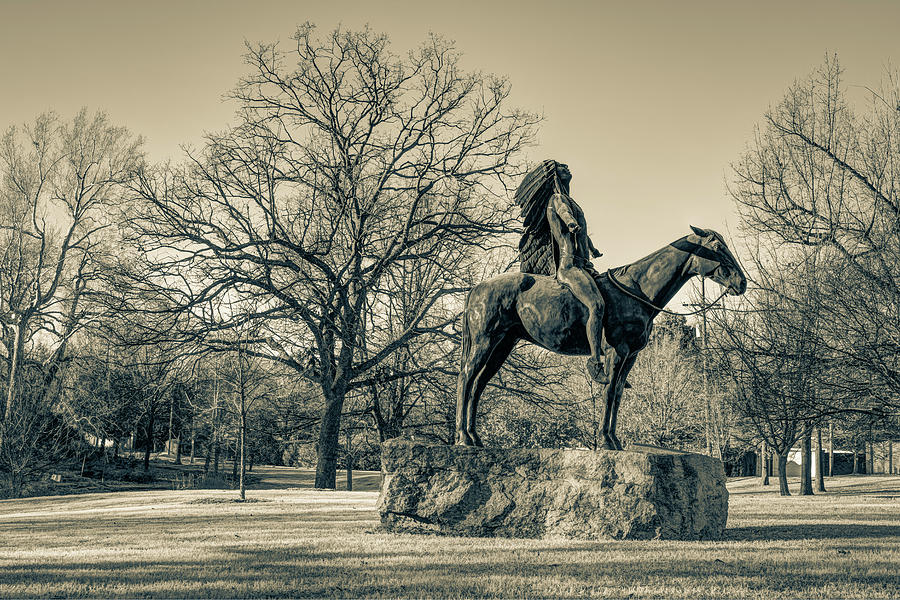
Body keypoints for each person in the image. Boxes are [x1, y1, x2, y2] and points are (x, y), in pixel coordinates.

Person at [516, 160, 610, 383]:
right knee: (596, 305)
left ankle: (614, 356)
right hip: (569, 267)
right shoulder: (557, 200)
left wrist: (592, 248)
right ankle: (595, 361)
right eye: (562, 168)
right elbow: (565, 214)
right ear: (555, 176)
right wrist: (570, 224)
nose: (568, 169)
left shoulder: (571, 200)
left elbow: (582, 231)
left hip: (584, 265)